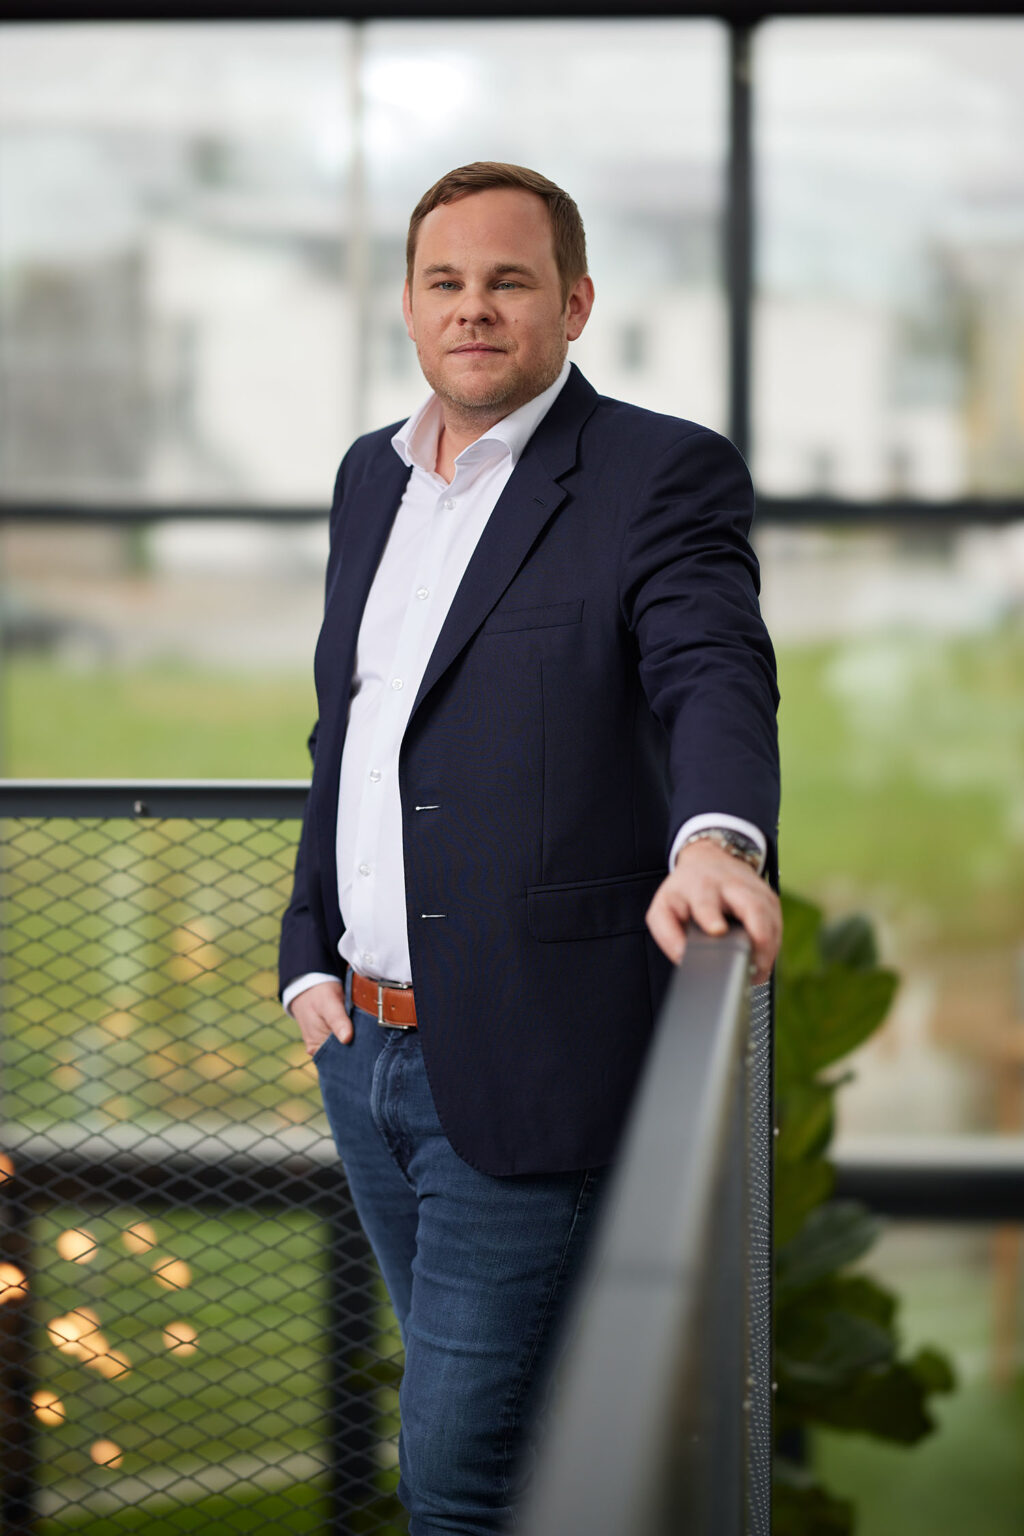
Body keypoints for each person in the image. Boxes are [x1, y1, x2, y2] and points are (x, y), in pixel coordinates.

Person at [279, 162, 781, 1535]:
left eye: (509, 281)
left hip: (529, 1056)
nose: (475, 309)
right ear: (408, 302)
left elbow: (712, 668)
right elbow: (357, 732)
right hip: (363, 1056)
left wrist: (718, 836)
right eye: (446, 281)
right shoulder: (367, 481)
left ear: (575, 300)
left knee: (458, 1478)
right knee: (510, 1441)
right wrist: (303, 948)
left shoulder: (653, 474)